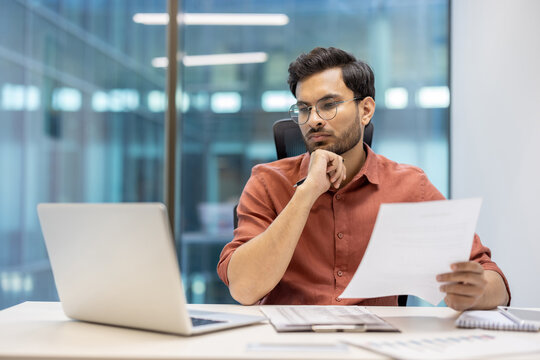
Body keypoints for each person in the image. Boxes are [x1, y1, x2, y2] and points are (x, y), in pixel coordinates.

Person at [217, 47, 510, 310]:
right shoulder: (268, 182)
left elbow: (492, 278)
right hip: (287, 345)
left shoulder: (408, 185)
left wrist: (476, 291)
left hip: (376, 345)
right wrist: (307, 192)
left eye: (329, 105)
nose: (314, 119)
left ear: (366, 110)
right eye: (305, 109)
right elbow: (244, 288)